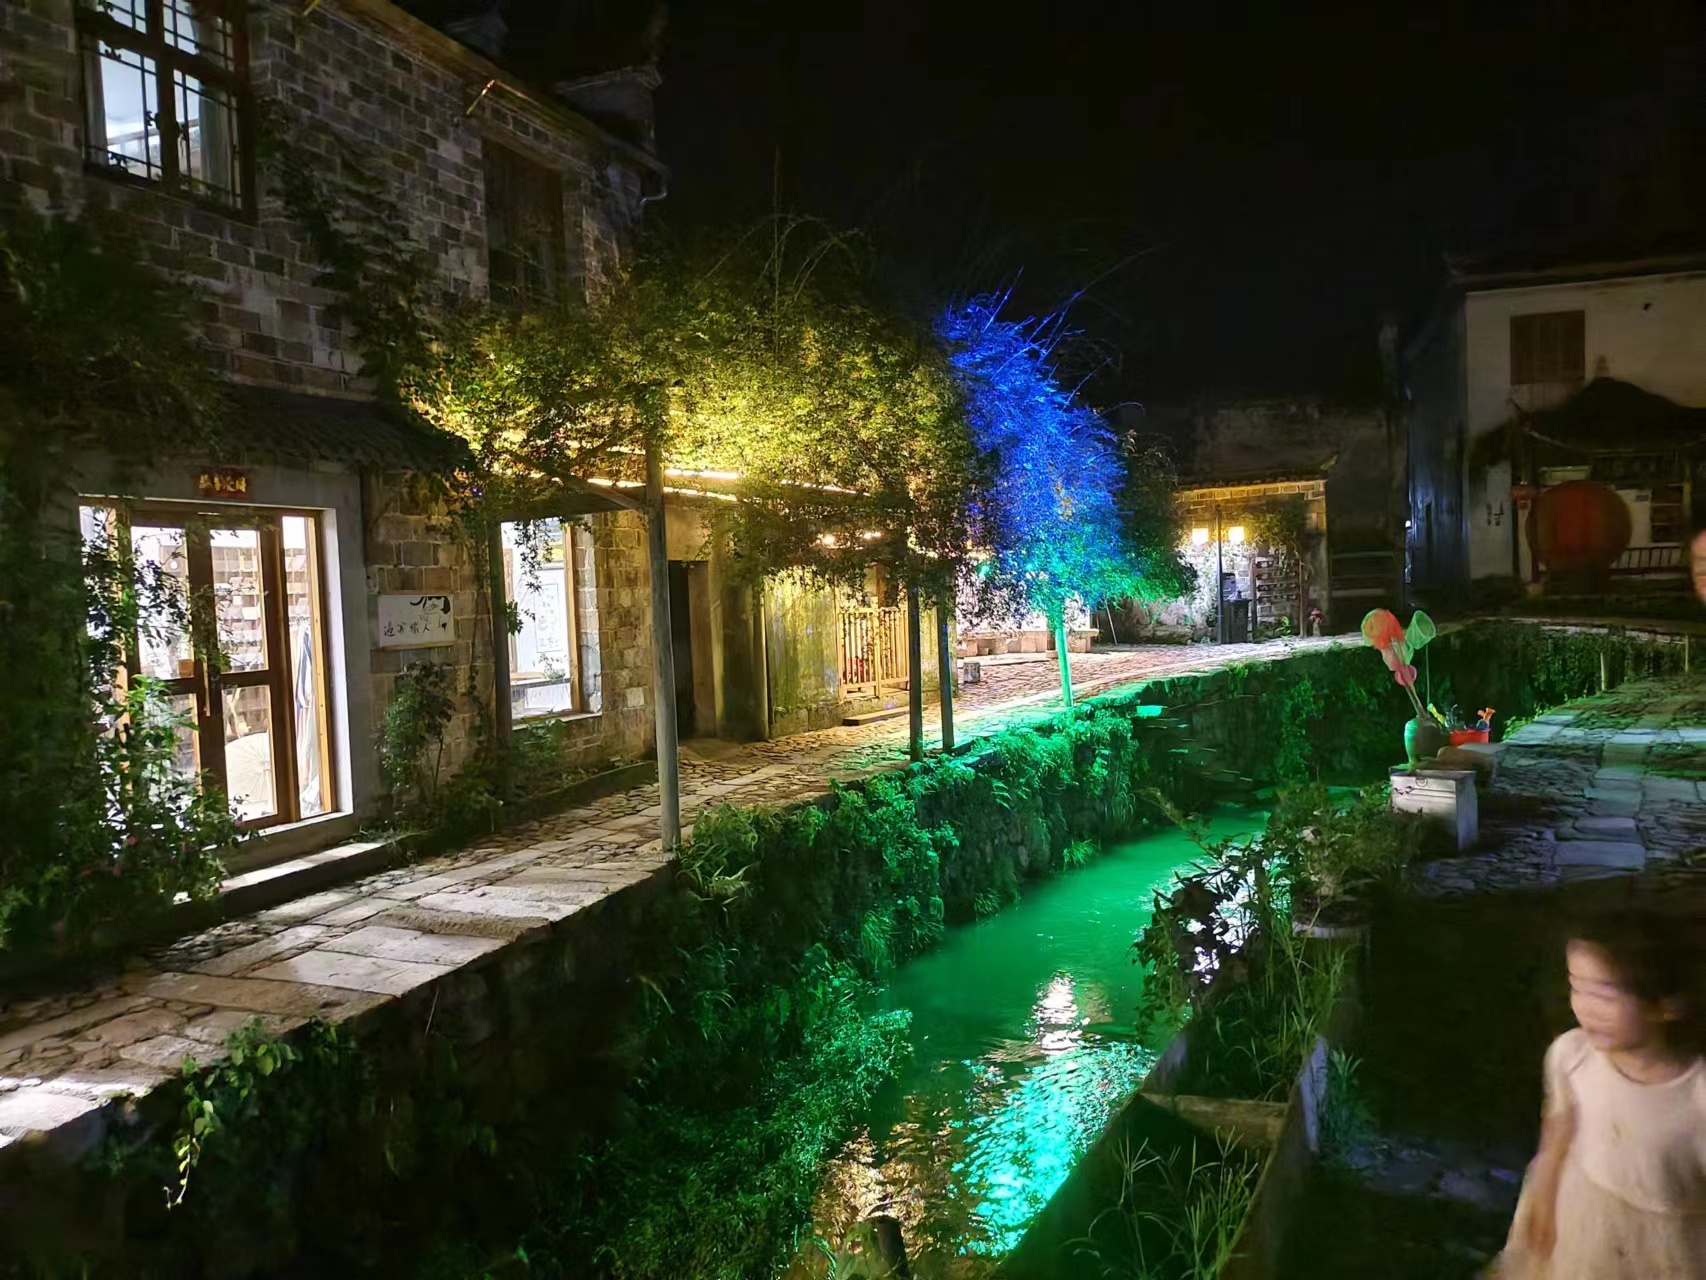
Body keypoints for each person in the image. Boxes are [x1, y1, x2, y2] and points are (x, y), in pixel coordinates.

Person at [1487, 912, 1706, 1278]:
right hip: (1583, 1223)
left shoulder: (1696, 1095)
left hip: (1667, 1250)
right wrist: (1543, 1200)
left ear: (1666, 1005)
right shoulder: (1572, 1056)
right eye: (1577, 987)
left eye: (1604, 994)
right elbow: (1557, 1135)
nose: (1585, 1007)